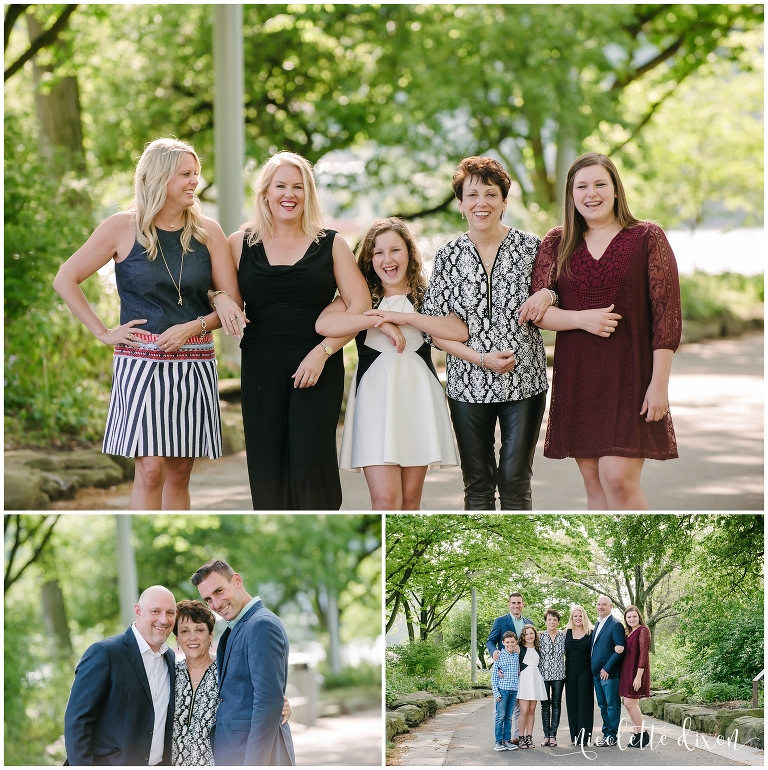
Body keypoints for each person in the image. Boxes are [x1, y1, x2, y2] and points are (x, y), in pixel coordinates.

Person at [53, 137, 247, 510]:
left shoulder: (208, 231)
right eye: (185, 175)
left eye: (196, 173)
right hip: (140, 366)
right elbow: (65, 278)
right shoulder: (121, 227)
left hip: (194, 365)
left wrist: (195, 326)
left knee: (179, 471)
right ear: (159, 179)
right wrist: (104, 332)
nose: (194, 181)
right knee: (150, 470)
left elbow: (233, 303)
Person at [523, 151, 682, 509]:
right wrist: (581, 318)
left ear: (615, 191)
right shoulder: (557, 242)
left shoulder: (647, 236)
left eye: (599, 184)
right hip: (579, 378)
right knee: (594, 486)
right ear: (571, 194)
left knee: (618, 479)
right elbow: (538, 314)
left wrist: (659, 386)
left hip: (631, 376)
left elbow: (666, 317)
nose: (590, 194)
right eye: (582, 186)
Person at [228, 152, 373, 509]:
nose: (289, 194)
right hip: (260, 367)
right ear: (265, 193)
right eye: (280, 186)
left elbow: (361, 307)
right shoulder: (238, 244)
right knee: (267, 465)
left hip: (316, 367)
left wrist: (323, 351)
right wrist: (218, 298)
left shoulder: (332, 243)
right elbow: (215, 291)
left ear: (308, 194)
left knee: (310, 463)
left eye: (298, 187)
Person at [421, 156, 556, 509]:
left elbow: (560, 290)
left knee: (515, 479)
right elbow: (436, 329)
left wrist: (549, 292)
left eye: (491, 194)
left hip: (524, 380)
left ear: (504, 202)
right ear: (461, 204)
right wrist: (481, 359)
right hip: (466, 384)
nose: (482, 203)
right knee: (478, 484)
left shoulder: (532, 247)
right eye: (472, 195)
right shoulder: (448, 255)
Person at [316, 218, 465, 509]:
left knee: (410, 503)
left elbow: (458, 331)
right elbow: (325, 323)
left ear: (409, 252)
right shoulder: (363, 297)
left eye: (395, 250)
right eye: (378, 252)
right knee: (386, 500)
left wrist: (405, 318)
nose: (388, 260)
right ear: (369, 259)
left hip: (418, 400)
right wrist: (378, 320)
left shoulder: (425, 295)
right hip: (375, 402)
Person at [192, 559, 294, 766]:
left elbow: (267, 702)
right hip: (234, 753)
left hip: (255, 756)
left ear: (237, 580)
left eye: (219, 591)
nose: (216, 604)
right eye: (208, 599)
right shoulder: (236, 628)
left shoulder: (261, 625)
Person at [64, 586, 178, 765]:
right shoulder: (105, 653)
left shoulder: (170, 657)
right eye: (155, 611)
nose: (163, 619)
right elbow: (77, 722)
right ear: (138, 611)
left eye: (170, 612)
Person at [171, 599, 292, 766]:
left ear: (211, 635)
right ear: (177, 638)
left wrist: (279, 706)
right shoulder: (169, 675)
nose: (192, 637)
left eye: (199, 629)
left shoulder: (226, 671)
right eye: (184, 631)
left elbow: (261, 697)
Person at [486, 591, 534, 745]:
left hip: (524, 670)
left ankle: (515, 737)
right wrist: (494, 653)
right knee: (500, 710)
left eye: (519, 603)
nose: (516, 606)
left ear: (523, 604)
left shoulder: (529, 622)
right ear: (509, 604)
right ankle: (499, 739)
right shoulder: (500, 621)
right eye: (513, 603)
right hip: (505, 671)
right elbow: (491, 641)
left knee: (521, 706)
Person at [590, 595, 626, 747]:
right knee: (603, 706)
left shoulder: (615, 625)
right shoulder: (598, 624)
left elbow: (620, 649)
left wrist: (607, 668)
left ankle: (612, 736)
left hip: (608, 674)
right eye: (598, 604)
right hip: (596, 674)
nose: (600, 607)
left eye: (604, 604)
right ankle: (606, 734)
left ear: (611, 606)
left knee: (612, 705)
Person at [619, 605, 652, 748]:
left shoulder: (643, 630)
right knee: (632, 705)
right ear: (625, 619)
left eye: (634, 616)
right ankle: (637, 735)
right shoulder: (630, 632)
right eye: (629, 617)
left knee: (629, 703)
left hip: (636, 671)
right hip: (627, 671)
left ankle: (643, 734)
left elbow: (643, 655)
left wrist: (638, 676)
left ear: (639, 616)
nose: (632, 619)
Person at [564, 606, 594, 747]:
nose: (578, 618)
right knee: (572, 703)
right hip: (569, 671)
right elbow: (549, 634)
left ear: (584, 617)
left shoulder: (591, 633)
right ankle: (574, 736)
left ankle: (585, 737)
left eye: (580, 616)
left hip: (586, 671)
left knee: (585, 703)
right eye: (575, 616)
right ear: (572, 618)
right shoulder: (566, 633)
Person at [538, 609, 566, 747]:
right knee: (544, 705)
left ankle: (553, 735)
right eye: (549, 619)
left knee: (556, 704)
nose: (552, 622)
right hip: (543, 674)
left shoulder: (563, 636)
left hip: (559, 675)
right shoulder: (540, 637)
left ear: (558, 622)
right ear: (545, 621)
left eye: (555, 619)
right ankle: (545, 735)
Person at [516, 624, 548, 749]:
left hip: (535, 680)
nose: (529, 636)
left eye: (531, 633)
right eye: (526, 634)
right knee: (523, 711)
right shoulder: (519, 648)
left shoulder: (538, 648)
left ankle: (529, 737)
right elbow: (506, 654)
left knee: (531, 710)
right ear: (523, 636)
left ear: (535, 635)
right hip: (524, 681)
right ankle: (521, 737)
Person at [491, 631, 520, 752]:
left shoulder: (517, 656)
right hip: (502, 691)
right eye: (507, 642)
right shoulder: (499, 656)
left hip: (513, 691)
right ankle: (498, 742)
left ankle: (506, 741)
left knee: (508, 717)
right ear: (503, 643)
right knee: (500, 716)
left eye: (512, 642)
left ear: (516, 642)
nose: (510, 644)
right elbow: (494, 676)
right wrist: (496, 693)